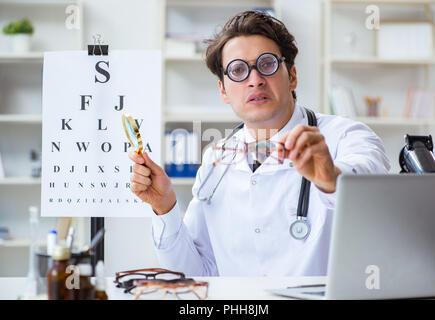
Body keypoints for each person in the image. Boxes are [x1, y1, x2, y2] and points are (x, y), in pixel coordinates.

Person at [128, 11, 390, 276]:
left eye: (267, 64)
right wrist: (165, 208)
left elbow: (376, 198)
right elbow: (197, 274)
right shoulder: (215, 159)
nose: (255, 79)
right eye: (238, 70)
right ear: (223, 91)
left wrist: (331, 179)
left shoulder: (345, 136)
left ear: (293, 76)